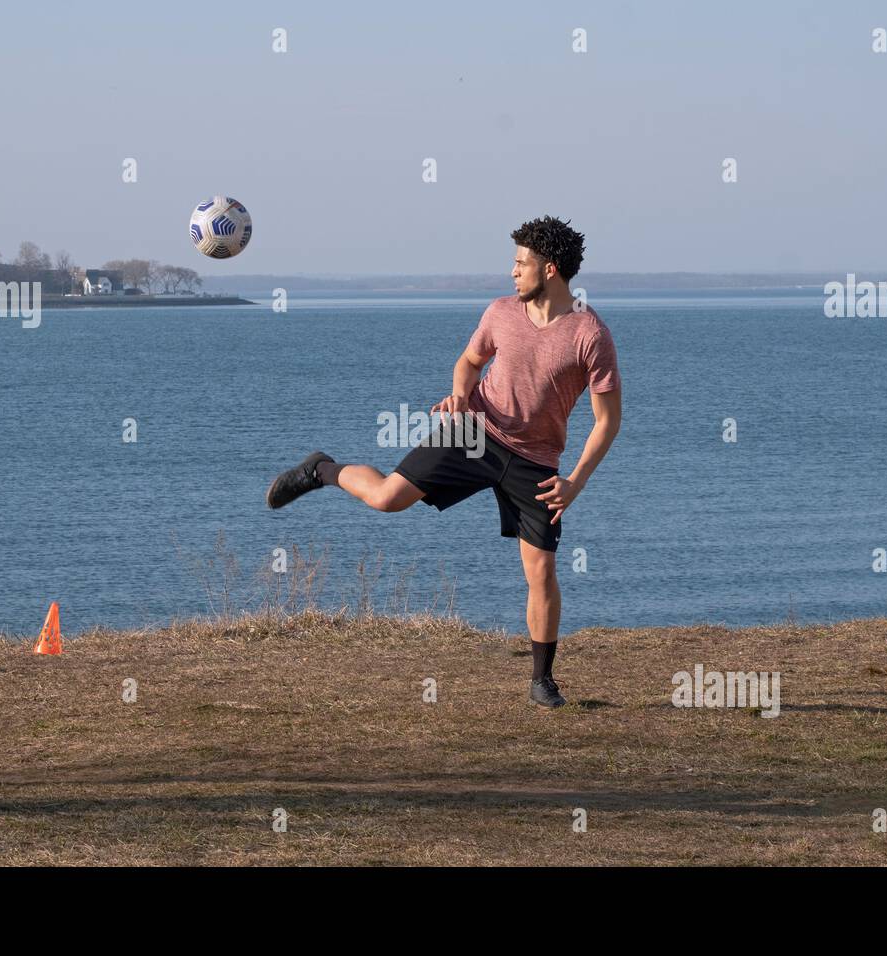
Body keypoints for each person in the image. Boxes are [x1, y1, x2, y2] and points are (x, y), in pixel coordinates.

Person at [266, 215, 621, 707]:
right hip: (474, 433)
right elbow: (468, 364)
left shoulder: (590, 335)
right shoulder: (500, 312)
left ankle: (542, 681)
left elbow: (607, 421)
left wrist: (576, 482)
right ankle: (320, 469)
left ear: (552, 270)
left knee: (540, 573)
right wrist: (459, 397)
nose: (513, 272)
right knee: (388, 499)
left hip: (536, 462)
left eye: (521, 264)